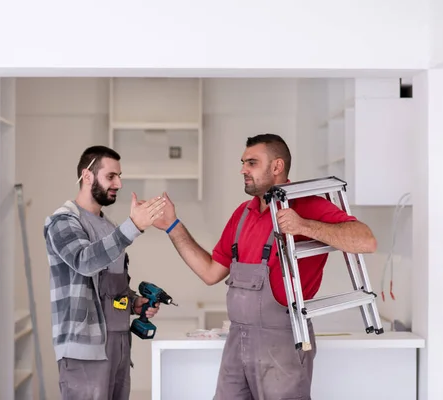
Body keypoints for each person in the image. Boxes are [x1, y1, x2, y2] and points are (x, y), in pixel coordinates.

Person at [153, 134, 377, 399]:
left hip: (283, 343)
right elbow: (210, 272)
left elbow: (366, 241)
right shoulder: (242, 214)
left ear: (277, 167)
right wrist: (171, 225)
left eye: (252, 163)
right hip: (238, 342)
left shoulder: (307, 204)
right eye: (243, 163)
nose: (243, 170)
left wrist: (303, 225)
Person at [43, 145, 167, 400]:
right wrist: (132, 227)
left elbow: (110, 286)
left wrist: (134, 303)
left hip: (118, 346)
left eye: (119, 176)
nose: (119, 183)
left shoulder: (108, 226)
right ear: (87, 176)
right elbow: (84, 261)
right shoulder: (63, 221)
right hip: (85, 349)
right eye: (111, 176)